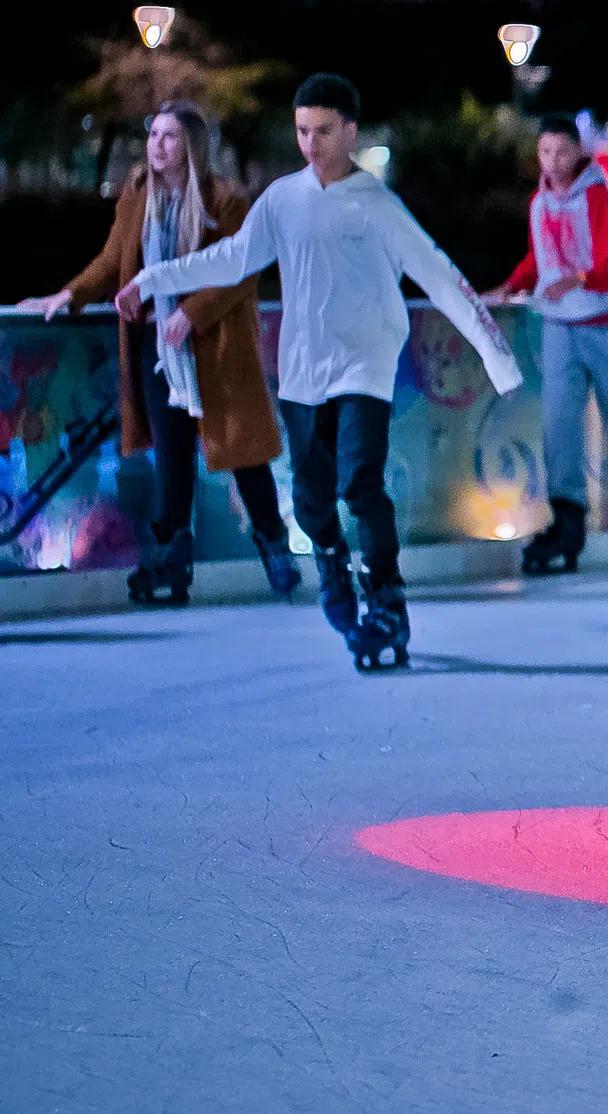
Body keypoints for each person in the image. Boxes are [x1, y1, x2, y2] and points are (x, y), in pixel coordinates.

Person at [115, 74, 523, 669]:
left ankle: (385, 595)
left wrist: (498, 359)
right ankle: (332, 568)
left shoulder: (377, 205)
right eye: (303, 130)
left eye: (324, 130)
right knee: (308, 501)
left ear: (350, 131)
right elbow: (231, 258)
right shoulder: (282, 199)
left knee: (360, 482)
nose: (311, 142)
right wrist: (152, 281)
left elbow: (439, 275)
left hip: (365, 367)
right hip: (304, 372)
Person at [18, 101, 299, 604]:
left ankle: (275, 548)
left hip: (215, 346)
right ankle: (171, 564)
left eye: (169, 137)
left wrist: (191, 313)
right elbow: (112, 261)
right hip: (155, 346)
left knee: (243, 453)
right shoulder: (137, 197)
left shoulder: (225, 200)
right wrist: (71, 294)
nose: (157, 145)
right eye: (154, 136)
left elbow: (242, 272)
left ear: (190, 146)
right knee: (170, 456)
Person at [484, 114, 608, 572]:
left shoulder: (595, 197)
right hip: (560, 328)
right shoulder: (539, 201)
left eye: (560, 152)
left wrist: (575, 280)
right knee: (559, 424)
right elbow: (540, 257)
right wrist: (511, 286)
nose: (551, 162)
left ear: (576, 153)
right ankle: (567, 523)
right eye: (544, 153)